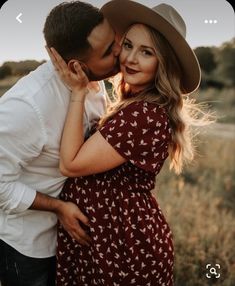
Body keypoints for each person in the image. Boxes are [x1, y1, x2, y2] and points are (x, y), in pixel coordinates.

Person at [48, 1, 212, 285]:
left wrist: (78, 91)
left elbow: (71, 164)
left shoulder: (144, 114)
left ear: (164, 63)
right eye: (127, 45)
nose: (130, 59)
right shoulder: (134, 104)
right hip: (108, 239)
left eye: (146, 52)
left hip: (124, 246)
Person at [0, 1, 121, 285]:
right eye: (107, 52)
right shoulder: (27, 107)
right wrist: (58, 207)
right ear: (76, 66)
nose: (119, 52)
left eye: (114, 41)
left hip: (71, 241)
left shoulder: (93, 79)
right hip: (29, 249)